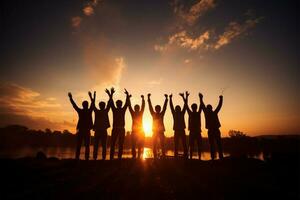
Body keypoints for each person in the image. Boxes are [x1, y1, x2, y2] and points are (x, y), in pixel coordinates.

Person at [68, 91, 95, 160]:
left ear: (83, 105)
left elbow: (74, 105)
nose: (86, 105)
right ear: (86, 105)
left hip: (82, 130)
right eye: (86, 104)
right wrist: (91, 96)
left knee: (80, 145)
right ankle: (86, 158)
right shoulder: (89, 111)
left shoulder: (81, 111)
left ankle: (77, 158)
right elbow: (92, 103)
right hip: (85, 130)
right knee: (86, 146)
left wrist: (71, 98)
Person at [200, 93, 224, 160]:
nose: (208, 109)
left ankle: (217, 157)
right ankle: (215, 157)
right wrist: (201, 98)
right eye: (208, 108)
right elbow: (219, 106)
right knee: (214, 144)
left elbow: (219, 106)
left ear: (210, 108)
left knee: (216, 144)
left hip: (214, 130)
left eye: (209, 108)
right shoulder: (212, 113)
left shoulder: (211, 113)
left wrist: (221, 99)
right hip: (213, 130)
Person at [109, 88, 130, 160]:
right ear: (117, 104)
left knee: (119, 144)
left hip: (120, 128)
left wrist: (127, 95)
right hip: (116, 128)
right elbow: (111, 103)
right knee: (114, 144)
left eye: (119, 104)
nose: (119, 104)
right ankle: (113, 158)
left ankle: (118, 158)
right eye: (118, 104)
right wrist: (111, 95)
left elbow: (126, 104)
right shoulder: (115, 109)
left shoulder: (121, 109)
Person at [92, 89, 113, 160]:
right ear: (103, 106)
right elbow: (109, 104)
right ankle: (101, 158)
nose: (102, 106)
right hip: (101, 131)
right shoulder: (103, 111)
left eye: (101, 105)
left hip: (100, 131)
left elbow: (93, 105)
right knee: (102, 145)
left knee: (98, 145)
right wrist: (110, 94)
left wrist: (93, 97)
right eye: (102, 105)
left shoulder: (98, 111)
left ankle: (97, 158)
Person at [182, 91, 203, 159]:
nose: (194, 108)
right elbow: (186, 105)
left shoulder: (197, 113)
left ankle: (198, 157)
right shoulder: (191, 113)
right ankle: (191, 157)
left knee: (198, 145)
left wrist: (200, 98)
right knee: (192, 145)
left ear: (195, 108)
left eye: (194, 107)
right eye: (193, 107)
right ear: (192, 108)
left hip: (197, 131)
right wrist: (185, 97)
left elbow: (201, 106)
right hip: (193, 132)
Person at [148, 93, 168, 159]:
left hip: (161, 132)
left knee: (162, 145)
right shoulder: (153, 114)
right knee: (154, 145)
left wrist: (166, 99)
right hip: (155, 132)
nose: (158, 110)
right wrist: (148, 99)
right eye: (157, 109)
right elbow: (150, 107)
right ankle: (155, 157)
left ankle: (163, 157)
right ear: (155, 109)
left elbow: (164, 108)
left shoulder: (161, 114)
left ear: (159, 109)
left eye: (159, 109)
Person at [169, 93, 188, 158]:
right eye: (177, 108)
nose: (177, 109)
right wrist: (170, 99)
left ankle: (185, 155)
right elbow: (171, 106)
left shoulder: (182, 113)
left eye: (178, 108)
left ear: (179, 109)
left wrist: (185, 97)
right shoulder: (175, 114)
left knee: (184, 144)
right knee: (176, 144)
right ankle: (176, 156)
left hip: (182, 130)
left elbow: (185, 105)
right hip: (177, 131)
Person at [128, 94, 145, 159]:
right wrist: (128, 98)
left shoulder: (140, 113)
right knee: (133, 145)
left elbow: (143, 106)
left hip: (140, 132)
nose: (137, 109)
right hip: (134, 132)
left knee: (139, 145)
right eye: (136, 108)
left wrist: (143, 99)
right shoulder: (133, 113)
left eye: (137, 108)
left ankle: (138, 157)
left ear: (138, 108)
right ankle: (134, 157)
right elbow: (129, 107)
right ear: (135, 109)